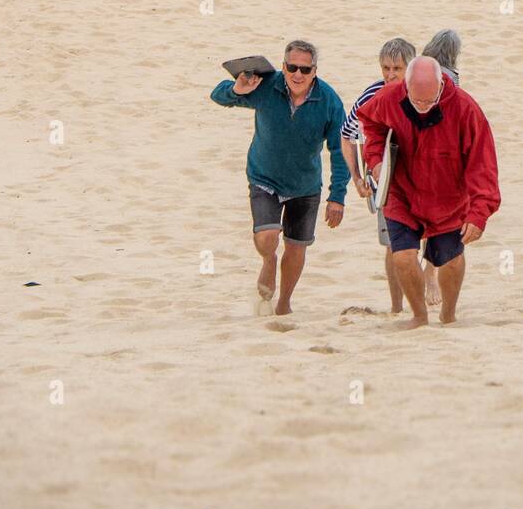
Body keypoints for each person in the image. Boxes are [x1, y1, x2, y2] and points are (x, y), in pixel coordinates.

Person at [357, 55, 500, 328]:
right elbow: (371, 125)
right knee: (403, 256)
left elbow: (483, 165)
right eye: (415, 100)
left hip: (449, 198)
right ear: (406, 87)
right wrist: (376, 162)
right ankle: (419, 316)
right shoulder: (390, 97)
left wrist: (479, 213)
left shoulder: (465, 109)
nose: (422, 107)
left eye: (429, 101)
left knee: (452, 261)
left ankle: (448, 314)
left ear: (441, 88)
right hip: (401, 191)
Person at [210, 40, 346, 316]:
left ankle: (284, 303)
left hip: (305, 186)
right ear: (283, 66)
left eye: (305, 70)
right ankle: (268, 261)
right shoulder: (267, 85)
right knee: (268, 235)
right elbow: (218, 95)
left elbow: (339, 150)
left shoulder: (329, 101)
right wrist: (236, 89)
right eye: (292, 67)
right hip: (264, 177)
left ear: (315, 71)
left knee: (297, 248)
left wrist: (337, 197)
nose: (297, 75)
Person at [338, 38, 419, 313]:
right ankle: (398, 307)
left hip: (424, 181)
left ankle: (426, 293)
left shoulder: (425, 91)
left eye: (397, 68)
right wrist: (356, 177)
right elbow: (347, 136)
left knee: (433, 240)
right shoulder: (370, 95)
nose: (390, 74)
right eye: (386, 68)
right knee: (395, 245)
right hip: (386, 185)